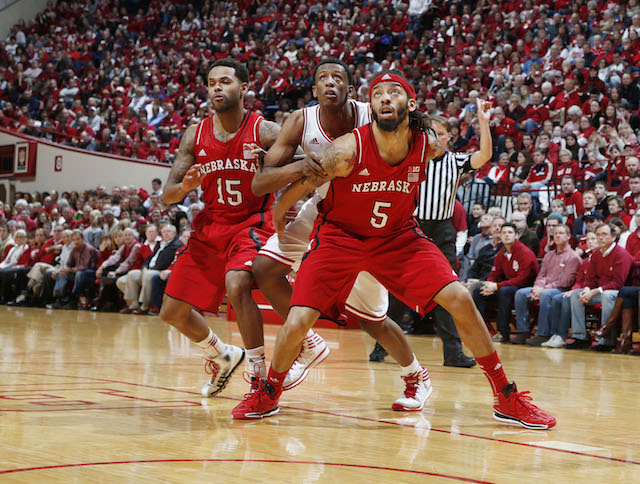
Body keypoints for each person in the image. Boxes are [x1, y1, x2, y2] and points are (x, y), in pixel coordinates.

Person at [233, 71, 556, 430]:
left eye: (394, 92)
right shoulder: (345, 150)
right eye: (378, 94)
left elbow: (474, 156)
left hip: (399, 238)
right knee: (298, 320)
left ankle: (505, 395)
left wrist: (481, 123)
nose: (385, 98)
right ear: (370, 107)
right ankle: (269, 392)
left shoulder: (428, 145)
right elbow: (290, 194)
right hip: (341, 238)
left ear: (411, 104)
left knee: (460, 299)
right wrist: (282, 226)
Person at [251, 58, 431, 383]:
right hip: (324, 210)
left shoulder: (375, 111)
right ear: (314, 89)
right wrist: (302, 166)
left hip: (370, 218)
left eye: (337, 78)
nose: (330, 83)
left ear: (351, 89)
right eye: (323, 78)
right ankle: (308, 343)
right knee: (264, 268)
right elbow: (260, 182)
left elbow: (418, 133)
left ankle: (415, 374)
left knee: (373, 319)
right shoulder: (300, 121)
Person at [160, 59, 280, 397]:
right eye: (212, 82)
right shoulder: (194, 134)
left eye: (225, 81)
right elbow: (168, 195)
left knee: (237, 283)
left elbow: (306, 163)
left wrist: (269, 162)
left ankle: (259, 374)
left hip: (249, 223)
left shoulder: (264, 130)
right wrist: (186, 186)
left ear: (243, 88)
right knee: (171, 312)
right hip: (210, 226)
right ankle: (222, 355)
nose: (216, 87)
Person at [567, 223, 633, 350]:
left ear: (613, 237)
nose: (600, 238)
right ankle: (580, 337)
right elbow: (590, 278)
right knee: (576, 294)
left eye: (604, 235)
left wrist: (594, 292)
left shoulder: (621, 254)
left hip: (621, 294)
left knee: (607, 296)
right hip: (600, 291)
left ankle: (607, 341)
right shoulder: (596, 254)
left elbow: (618, 284)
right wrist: (586, 289)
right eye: (598, 235)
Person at [514, 224, 582, 346]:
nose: (557, 236)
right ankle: (523, 331)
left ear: (568, 236)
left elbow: (565, 281)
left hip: (561, 289)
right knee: (520, 293)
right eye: (555, 233)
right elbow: (542, 275)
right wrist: (536, 288)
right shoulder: (549, 254)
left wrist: (542, 289)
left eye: (561, 233)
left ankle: (543, 333)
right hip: (543, 288)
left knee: (546, 294)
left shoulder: (573, 257)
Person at [471, 223, 539, 344]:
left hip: (526, 287)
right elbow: (494, 273)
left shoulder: (525, 252)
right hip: (509, 286)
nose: (506, 235)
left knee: (504, 291)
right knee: (478, 291)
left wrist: (496, 286)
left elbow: (522, 279)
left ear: (516, 235)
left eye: (510, 233)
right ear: (500, 236)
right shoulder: (502, 253)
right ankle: (480, 330)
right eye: (504, 233)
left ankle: (503, 333)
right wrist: (489, 285)